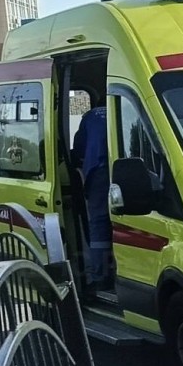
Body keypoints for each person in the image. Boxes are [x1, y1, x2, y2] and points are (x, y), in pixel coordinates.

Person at [71, 99, 113, 290]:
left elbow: (79, 148)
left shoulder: (91, 116)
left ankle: (100, 276)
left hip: (98, 172)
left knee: (98, 225)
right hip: (125, 169)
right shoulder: (125, 106)